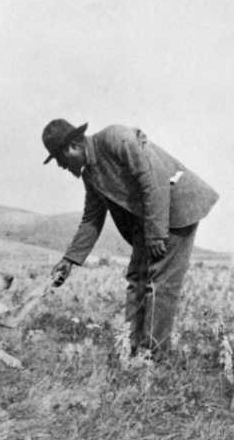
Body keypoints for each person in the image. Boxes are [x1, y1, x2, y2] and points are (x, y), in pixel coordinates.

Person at [42, 119, 219, 360]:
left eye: (60, 160)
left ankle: (154, 359)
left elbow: (153, 179)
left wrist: (156, 232)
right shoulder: (91, 176)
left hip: (175, 209)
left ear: (72, 146)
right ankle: (133, 349)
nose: (62, 166)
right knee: (137, 279)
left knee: (160, 283)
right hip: (149, 219)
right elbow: (92, 219)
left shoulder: (116, 138)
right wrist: (69, 259)